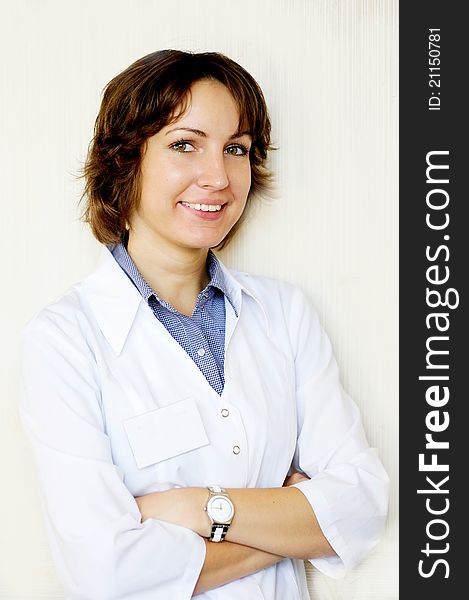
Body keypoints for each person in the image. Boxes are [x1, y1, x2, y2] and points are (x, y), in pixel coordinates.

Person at [20, 50, 389, 600]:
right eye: (184, 144)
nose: (217, 177)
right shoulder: (65, 338)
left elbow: (363, 506)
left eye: (235, 149)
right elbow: (103, 570)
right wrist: (296, 526)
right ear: (126, 160)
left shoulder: (283, 314)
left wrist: (197, 508)